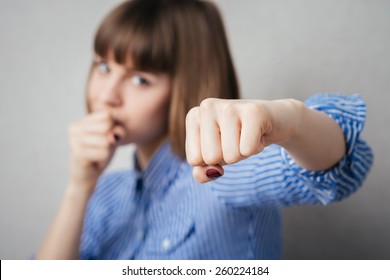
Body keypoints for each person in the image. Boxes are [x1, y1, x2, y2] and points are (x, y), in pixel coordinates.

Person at [36, 0, 373, 259]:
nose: (106, 95)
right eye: (104, 66)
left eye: (140, 79)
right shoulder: (106, 195)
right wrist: (79, 188)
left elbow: (337, 170)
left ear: (185, 85)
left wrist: (291, 119)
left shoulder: (223, 172)